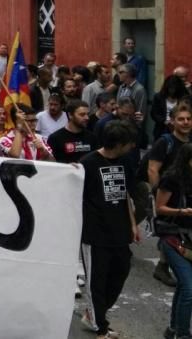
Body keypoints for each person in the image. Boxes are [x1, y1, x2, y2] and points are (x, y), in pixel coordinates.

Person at [80, 120, 140, 339]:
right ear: (118, 143)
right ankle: (101, 328)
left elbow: (125, 194)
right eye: (129, 143)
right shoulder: (87, 163)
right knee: (96, 282)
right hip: (95, 234)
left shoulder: (125, 163)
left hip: (120, 231)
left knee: (120, 273)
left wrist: (133, 224)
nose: (133, 146)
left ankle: (94, 315)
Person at [153, 142, 192, 339]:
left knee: (185, 287)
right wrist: (181, 211)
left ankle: (174, 329)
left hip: (189, 239)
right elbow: (159, 208)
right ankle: (183, 335)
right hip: (172, 238)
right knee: (189, 288)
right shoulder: (171, 179)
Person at [152, 75, 190, 140]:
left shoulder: (184, 98)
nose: (172, 91)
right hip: (162, 128)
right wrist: (164, 121)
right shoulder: (159, 97)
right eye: (170, 88)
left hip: (179, 127)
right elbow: (154, 113)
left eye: (174, 88)